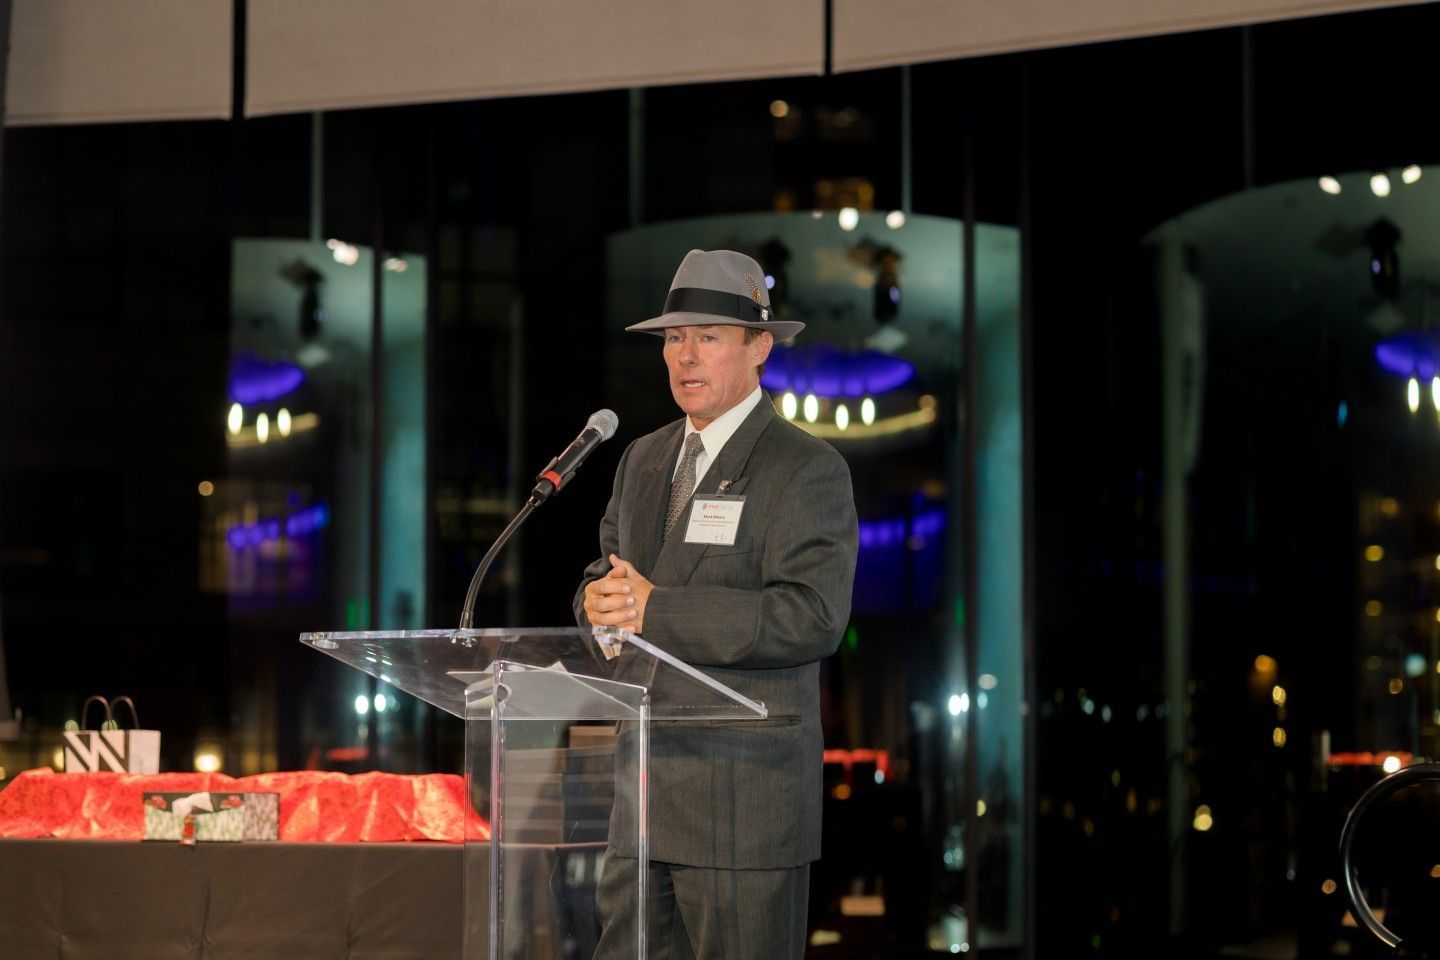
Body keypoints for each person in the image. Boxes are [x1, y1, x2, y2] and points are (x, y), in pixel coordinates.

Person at [575, 248, 859, 959]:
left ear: (760, 348)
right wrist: (595, 605)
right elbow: (607, 575)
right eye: (674, 337)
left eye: (708, 336)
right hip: (641, 804)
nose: (685, 355)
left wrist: (655, 610)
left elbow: (812, 616)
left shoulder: (805, 468)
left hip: (744, 804)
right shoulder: (642, 460)